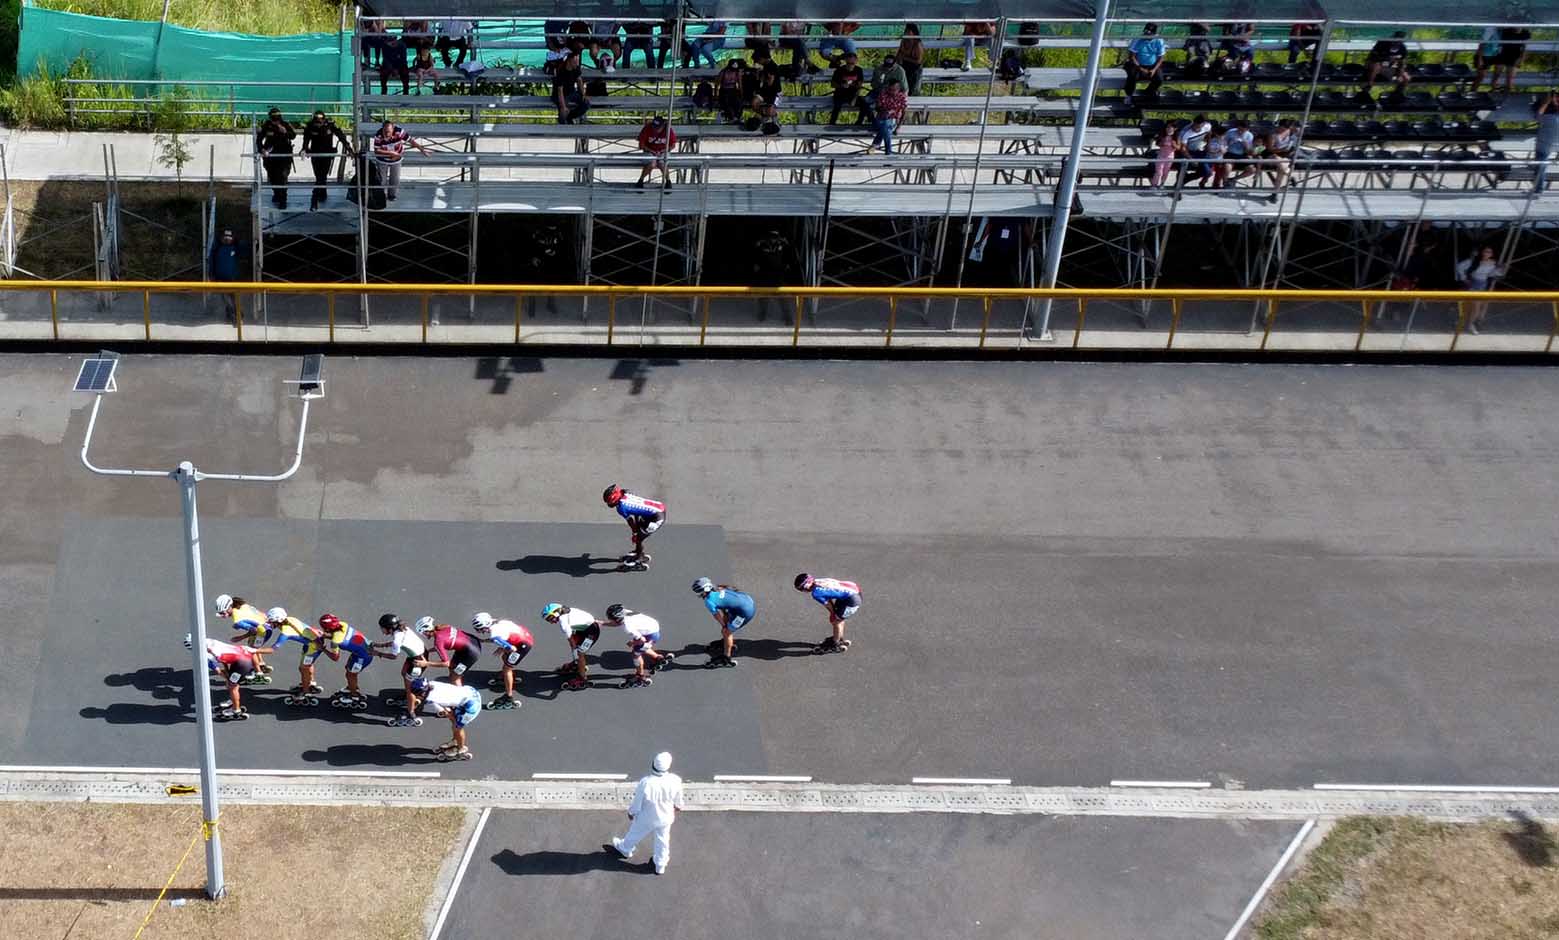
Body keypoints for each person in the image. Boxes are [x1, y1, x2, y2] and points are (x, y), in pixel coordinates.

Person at [608, 751, 684, 875]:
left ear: (653, 764)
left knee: (635, 833)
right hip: (666, 817)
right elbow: (679, 802)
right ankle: (660, 865)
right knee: (663, 840)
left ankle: (625, 849)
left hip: (647, 817)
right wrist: (677, 807)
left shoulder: (646, 782)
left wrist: (631, 813)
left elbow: (637, 802)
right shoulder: (675, 780)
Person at [187, 633, 275, 721]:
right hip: (242, 655)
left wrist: (227, 677)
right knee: (231, 682)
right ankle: (233, 701)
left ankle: (236, 710)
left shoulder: (206, 654)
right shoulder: (210, 642)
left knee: (233, 686)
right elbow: (224, 661)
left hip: (241, 664)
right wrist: (228, 674)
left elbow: (218, 669)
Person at [371, 612, 426, 726]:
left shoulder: (396, 639)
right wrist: (381, 645)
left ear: (389, 628)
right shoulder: (402, 629)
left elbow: (393, 656)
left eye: (382, 628)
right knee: (404, 673)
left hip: (417, 661)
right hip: (418, 654)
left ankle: (411, 712)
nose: (382, 630)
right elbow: (399, 642)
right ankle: (410, 697)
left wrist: (377, 653)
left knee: (410, 688)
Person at [471, 612, 533, 709]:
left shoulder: (494, 633)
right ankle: (507, 678)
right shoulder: (500, 622)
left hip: (522, 645)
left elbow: (510, 647)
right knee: (504, 657)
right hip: (523, 637)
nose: (479, 631)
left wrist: (505, 647)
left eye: (479, 628)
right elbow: (504, 636)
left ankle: (509, 697)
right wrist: (484, 641)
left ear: (484, 626)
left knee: (507, 668)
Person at [410, 677, 480, 761]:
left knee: (457, 727)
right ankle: (455, 741)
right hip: (469, 692)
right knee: (454, 723)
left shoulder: (433, 699)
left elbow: (447, 713)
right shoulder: (432, 683)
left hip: (471, 706)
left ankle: (461, 749)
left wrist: (454, 719)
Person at [692, 577, 755, 666]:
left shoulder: (709, 601)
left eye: (699, 592)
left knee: (726, 632)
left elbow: (717, 616)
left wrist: (724, 627)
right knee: (726, 626)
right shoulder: (719, 588)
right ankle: (726, 642)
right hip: (747, 601)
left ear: (704, 591)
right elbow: (724, 608)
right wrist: (726, 622)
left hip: (745, 612)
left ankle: (726, 657)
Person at [315, 613, 374, 709]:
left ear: (328, 628)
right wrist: (325, 636)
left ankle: (354, 696)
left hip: (363, 657)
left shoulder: (335, 642)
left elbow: (335, 658)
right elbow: (339, 635)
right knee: (348, 669)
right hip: (363, 650)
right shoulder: (343, 624)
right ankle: (352, 688)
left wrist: (322, 649)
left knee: (350, 674)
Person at [264, 605, 323, 700]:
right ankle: (310, 683)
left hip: (313, 648)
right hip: (312, 645)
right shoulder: (290, 619)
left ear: (278, 621)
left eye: (271, 621)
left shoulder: (286, 632)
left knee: (303, 669)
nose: (270, 623)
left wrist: (254, 651)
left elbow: (272, 649)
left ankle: (306, 693)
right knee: (307, 666)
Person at [604, 604, 672, 687]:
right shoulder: (626, 612)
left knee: (635, 654)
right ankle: (658, 658)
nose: (610, 620)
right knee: (641, 648)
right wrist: (602, 623)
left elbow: (642, 640)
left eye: (610, 619)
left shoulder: (628, 627)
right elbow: (617, 623)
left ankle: (640, 676)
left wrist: (632, 643)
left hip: (648, 636)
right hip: (653, 628)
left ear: (617, 619)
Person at [602, 483, 665, 570]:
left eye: (609, 502)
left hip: (656, 518)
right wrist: (636, 530)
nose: (608, 504)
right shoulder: (625, 492)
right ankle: (638, 552)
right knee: (638, 533)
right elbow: (636, 513)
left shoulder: (621, 508)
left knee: (638, 538)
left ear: (614, 500)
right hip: (657, 509)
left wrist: (635, 533)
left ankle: (639, 559)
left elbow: (631, 522)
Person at [794, 573, 862, 652]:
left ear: (805, 586)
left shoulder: (816, 593)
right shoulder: (818, 581)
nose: (802, 591)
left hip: (852, 600)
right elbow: (829, 595)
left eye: (801, 589)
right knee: (839, 619)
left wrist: (833, 614)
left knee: (836, 621)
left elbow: (828, 604)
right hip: (852, 590)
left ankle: (834, 644)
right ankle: (839, 638)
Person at [302, 111, 353, 211]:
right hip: (315, 154)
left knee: (321, 176)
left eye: (320, 122)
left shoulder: (330, 125)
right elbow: (306, 139)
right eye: (317, 122)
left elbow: (341, 136)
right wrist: (304, 149)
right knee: (319, 176)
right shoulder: (310, 126)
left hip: (327, 154)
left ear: (324, 120)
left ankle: (314, 199)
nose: (318, 124)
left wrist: (349, 149)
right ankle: (322, 193)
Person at [215, 593, 274, 679]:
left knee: (250, 650)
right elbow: (260, 614)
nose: (222, 615)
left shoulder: (238, 620)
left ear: (229, 607)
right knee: (254, 645)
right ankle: (261, 663)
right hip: (266, 626)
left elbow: (254, 631)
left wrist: (240, 637)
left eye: (223, 613)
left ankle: (258, 673)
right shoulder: (242, 606)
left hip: (262, 631)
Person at [542, 602, 600, 690]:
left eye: (550, 618)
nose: (551, 622)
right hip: (583, 628)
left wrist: (575, 652)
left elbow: (571, 642)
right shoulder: (567, 610)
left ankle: (582, 678)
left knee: (580, 653)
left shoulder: (563, 623)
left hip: (591, 633)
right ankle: (577, 664)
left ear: (557, 613)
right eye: (548, 620)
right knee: (576, 647)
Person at [371, 120, 427, 203]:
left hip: (396, 159)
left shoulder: (399, 132)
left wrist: (421, 149)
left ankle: (391, 195)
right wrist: (391, 153)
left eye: (389, 132)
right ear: (382, 128)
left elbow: (410, 140)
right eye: (385, 131)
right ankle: (381, 195)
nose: (387, 134)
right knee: (382, 180)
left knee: (395, 179)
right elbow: (376, 150)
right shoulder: (378, 135)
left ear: (393, 129)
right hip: (383, 159)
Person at [416, 616, 482, 686]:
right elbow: (445, 643)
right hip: (471, 642)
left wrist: (426, 663)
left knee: (454, 676)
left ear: (427, 631)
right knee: (452, 667)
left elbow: (446, 663)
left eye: (423, 633)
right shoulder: (442, 627)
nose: (424, 635)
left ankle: (460, 694)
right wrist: (428, 651)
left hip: (471, 653)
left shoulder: (438, 641)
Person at [1456, 245, 1507, 334]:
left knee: (1476, 307)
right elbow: (1459, 267)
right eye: (1485, 251)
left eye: (1489, 252)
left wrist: (1501, 269)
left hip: (1482, 286)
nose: (1487, 253)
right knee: (1470, 306)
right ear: (1482, 252)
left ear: (1492, 254)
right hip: (1471, 285)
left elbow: (1492, 274)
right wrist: (1464, 278)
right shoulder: (1474, 261)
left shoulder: (1493, 263)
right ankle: (1465, 323)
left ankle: (1470, 324)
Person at [256, 108, 296, 210]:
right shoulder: (266, 126)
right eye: (274, 120)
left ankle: (283, 201)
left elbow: (293, 136)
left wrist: (285, 132)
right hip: (270, 157)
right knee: (273, 178)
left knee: (282, 178)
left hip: (284, 156)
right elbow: (259, 140)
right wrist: (262, 150)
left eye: (277, 119)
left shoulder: (285, 124)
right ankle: (277, 194)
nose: (276, 122)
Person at [1123, 23, 1166, 104]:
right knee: (1132, 76)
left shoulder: (1159, 40)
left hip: (1152, 65)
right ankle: (1129, 95)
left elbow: (1161, 57)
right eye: (1145, 33)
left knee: (1159, 79)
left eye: (1149, 34)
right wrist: (1141, 68)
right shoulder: (1138, 39)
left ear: (1154, 33)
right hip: (1137, 64)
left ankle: (1149, 92)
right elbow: (1132, 57)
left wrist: (1154, 70)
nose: (1146, 35)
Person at [753, 228, 791, 322]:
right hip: (765, 275)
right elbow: (756, 256)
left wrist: (787, 266)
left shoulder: (783, 244)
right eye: (771, 237)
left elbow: (790, 255)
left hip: (779, 276)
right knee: (763, 298)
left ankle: (787, 318)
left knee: (783, 299)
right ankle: (762, 315)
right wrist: (756, 265)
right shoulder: (762, 245)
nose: (773, 239)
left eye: (775, 237)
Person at [209, 228, 242, 324]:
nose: (227, 239)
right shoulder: (216, 248)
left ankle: (236, 313)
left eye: (229, 238)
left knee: (234, 297)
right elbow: (211, 262)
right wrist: (211, 275)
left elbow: (245, 252)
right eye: (225, 238)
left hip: (232, 278)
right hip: (220, 277)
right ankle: (232, 314)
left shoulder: (236, 247)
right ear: (222, 238)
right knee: (225, 297)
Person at [869, 78, 908, 155]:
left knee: (886, 126)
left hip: (893, 120)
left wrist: (899, 127)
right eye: (890, 89)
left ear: (898, 89)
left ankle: (877, 145)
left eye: (894, 89)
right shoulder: (883, 94)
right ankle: (887, 151)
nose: (892, 91)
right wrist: (884, 111)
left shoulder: (902, 97)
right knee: (886, 125)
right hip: (880, 119)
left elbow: (904, 112)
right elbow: (877, 108)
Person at [636, 115, 675, 190]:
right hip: (649, 151)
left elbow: (672, 145)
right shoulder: (647, 128)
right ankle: (641, 180)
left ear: (663, 125)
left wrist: (663, 151)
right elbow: (641, 145)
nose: (655, 129)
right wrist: (652, 151)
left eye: (658, 127)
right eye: (654, 127)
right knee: (652, 163)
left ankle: (668, 181)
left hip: (663, 150)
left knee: (662, 162)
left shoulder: (668, 130)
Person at [553, 51, 591, 124]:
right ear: (569, 60)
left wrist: (583, 94)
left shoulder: (576, 68)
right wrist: (563, 106)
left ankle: (570, 117)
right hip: (560, 95)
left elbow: (579, 80)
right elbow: (559, 91)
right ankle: (562, 123)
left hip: (571, 92)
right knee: (563, 110)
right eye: (575, 59)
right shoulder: (561, 71)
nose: (577, 61)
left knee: (586, 103)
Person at [828, 52, 864, 126]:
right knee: (837, 107)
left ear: (856, 61)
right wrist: (841, 85)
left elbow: (859, 86)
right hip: (840, 94)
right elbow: (832, 84)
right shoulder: (839, 70)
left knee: (865, 105)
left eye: (852, 63)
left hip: (853, 94)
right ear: (845, 61)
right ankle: (831, 125)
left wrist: (854, 98)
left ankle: (859, 123)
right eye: (848, 63)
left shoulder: (859, 70)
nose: (850, 65)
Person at [1177, 114, 1213, 186]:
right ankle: (1178, 186)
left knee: (1208, 172)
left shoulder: (1207, 126)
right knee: (1182, 168)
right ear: (1193, 123)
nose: (1196, 128)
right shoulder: (1185, 132)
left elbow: (1209, 133)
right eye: (1195, 126)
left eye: (1198, 127)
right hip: (1187, 152)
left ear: (1203, 125)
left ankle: (1187, 178)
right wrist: (1191, 159)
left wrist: (1208, 144)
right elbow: (1183, 149)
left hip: (1198, 151)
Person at [1535, 90, 1559, 193]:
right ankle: (1538, 188)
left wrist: (1547, 102)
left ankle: (1538, 189)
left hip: (1544, 143)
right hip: (1549, 142)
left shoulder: (1550, 117)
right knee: (1541, 165)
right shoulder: (1552, 116)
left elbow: (1538, 116)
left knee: (1541, 165)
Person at [1222, 119, 1254, 187]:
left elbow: (1249, 151)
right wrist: (1229, 144)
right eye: (1239, 129)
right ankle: (1225, 183)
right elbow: (1223, 143)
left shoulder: (1249, 135)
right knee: (1227, 168)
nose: (1240, 131)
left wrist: (1246, 145)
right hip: (1230, 153)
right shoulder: (1231, 132)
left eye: (1242, 130)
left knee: (1252, 169)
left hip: (1242, 155)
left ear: (1247, 129)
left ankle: (1233, 179)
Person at [897, 24, 925, 96]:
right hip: (905, 66)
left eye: (908, 31)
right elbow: (899, 53)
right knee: (902, 85)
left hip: (915, 68)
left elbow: (918, 61)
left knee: (913, 88)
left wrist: (904, 57)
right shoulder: (904, 41)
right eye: (906, 30)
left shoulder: (917, 44)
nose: (906, 32)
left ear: (913, 32)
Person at [380, 29, 411, 95]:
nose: (391, 44)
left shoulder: (402, 46)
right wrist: (392, 69)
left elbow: (403, 59)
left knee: (405, 71)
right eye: (389, 42)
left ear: (396, 40)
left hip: (399, 64)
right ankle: (384, 89)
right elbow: (385, 59)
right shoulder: (385, 46)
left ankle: (406, 90)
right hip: (389, 64)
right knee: (383, 71)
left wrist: (397, 69)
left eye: (392, 41)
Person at [717, 58, 747, 123]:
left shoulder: (737, 72)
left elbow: (740, 84)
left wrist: (741, 95)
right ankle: (732, 117)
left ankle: (737, 117)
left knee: (738, 102)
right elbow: (717, 84)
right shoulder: (723, 72)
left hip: (733, 90)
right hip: (724, 90)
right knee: (727, 102)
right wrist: (715, 95)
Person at [1150, 123, 1177, 188]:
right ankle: (1154, 185)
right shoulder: (1162, 136)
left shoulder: (1176, 137)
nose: (1169, 129)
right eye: (1167, 128)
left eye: (1171, 128)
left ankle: (1162, 184)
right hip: (1161, 155)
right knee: (1159, 172)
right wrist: (1162, 143)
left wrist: (1174, 144)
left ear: (1174, 129)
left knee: (1166, 172)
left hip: (1170, 157)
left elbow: (1178, 147)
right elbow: (1157, 143)